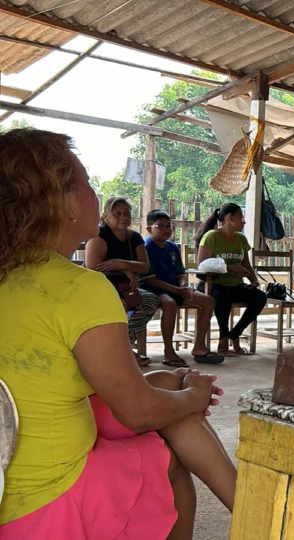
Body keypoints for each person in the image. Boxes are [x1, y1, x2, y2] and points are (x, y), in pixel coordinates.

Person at [0, 128, 237, 539]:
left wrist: (175, 388)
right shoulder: (78, 287)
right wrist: (192, 397)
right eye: (88, 182)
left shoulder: (12, 276)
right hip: (48, 493)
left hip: (10, 476)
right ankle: (258, 510)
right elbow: (138, 412)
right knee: (170, 453)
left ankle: (254, 507)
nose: (97, 193)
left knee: (165, 386)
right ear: (64, 204)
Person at [84, 196, 161, 366]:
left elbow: (144, 267)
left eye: (126, 213)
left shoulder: (134, 237)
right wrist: (126, 270)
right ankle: (120, 350)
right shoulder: (100, 235)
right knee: (120, 305)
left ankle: (122, 345)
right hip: (100, 287)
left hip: (126, 287)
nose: (123, 217)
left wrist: (121, 264)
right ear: (106, 216)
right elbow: (93, 268)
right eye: (117, 214)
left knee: (149, 301)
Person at [141, 210, 222, 366]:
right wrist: (176, 290)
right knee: (169, 304)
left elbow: (180, 272)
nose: (166, 229)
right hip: (154, 289)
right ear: (149, 229)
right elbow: (149, 279)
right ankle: (169, 351)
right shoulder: (146, 247)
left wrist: (183, 284)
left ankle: (199, 347)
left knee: (208, 301)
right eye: (161, 226)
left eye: (169, 226)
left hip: (176, 288)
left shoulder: (173, 247)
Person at [196, 203, 267, 356]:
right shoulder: (211, 236)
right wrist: (230, 268)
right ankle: (223, 338)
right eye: (241, 217)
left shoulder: (241, 239)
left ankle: (234, 334)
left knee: (260, 297)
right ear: (230, 217)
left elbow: (246, 264)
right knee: (222, 296)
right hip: (211, 285)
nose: (244, 221)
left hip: (234, 284)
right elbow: (202, 265)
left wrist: (254, 281)